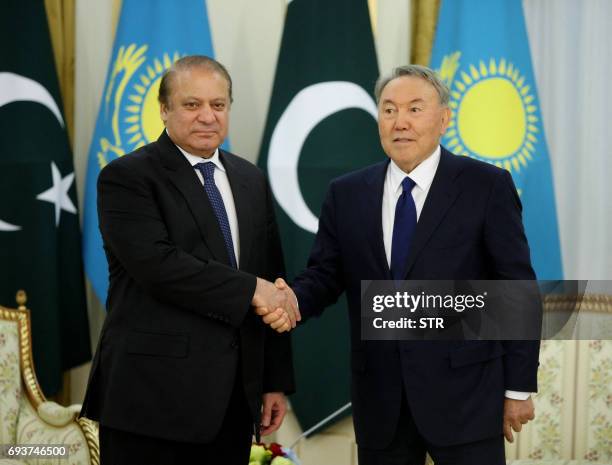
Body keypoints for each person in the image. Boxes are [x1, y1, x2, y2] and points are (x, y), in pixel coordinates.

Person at [265, 65, 539, 464]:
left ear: (444, 119)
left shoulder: (486, 186)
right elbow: (325, 275)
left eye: (415, 109)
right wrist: (291, 301)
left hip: (466, 397)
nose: (401, 123)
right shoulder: (347, 193)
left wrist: (517, 388)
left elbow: (516, 291)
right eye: (389, 110)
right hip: (381, 399)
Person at [80, 55, 300, 465]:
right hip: (150, 404)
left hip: (232, 405)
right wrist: (254, 289)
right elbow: (159, 268)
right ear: (164, 110)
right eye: (191, 104)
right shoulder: (127, 177)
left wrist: (273, 381)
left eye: (218, 105)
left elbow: (272, 275)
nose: (207, 116)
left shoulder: (250, 179)